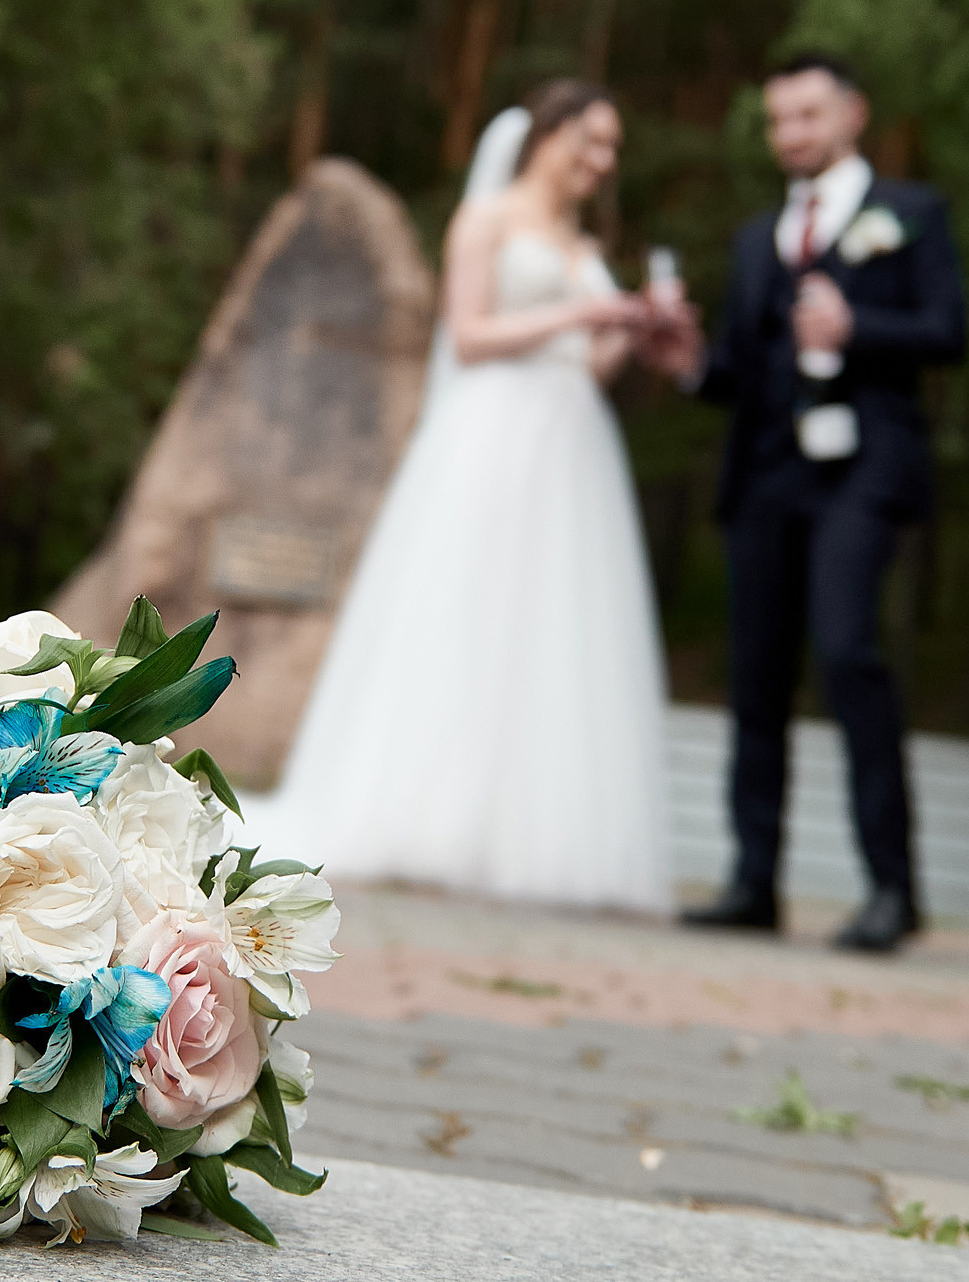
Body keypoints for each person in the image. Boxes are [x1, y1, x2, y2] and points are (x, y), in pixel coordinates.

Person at [251, 80, 673, 913]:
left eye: (613, 148)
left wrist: (628, 329)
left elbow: (583, 366)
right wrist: (582, 310)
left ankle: (533, 832)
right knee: (469, 615)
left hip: (572, 442)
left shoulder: (577, 239)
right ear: (547, 134)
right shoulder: (485, 220)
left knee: (555, 634)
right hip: (493, 436)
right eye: (591, 140)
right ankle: (424, 814)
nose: (603, 161)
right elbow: (471, 337)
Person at [639, 52, 968, 952]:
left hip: (863, 471)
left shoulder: (911, 214)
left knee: (851, 649)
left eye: (809, 115)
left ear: (853, 114)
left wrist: (861, 329)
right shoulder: (757, 241)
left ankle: (893, 891)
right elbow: (741, 376)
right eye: (780, 120)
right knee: (755, 675)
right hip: (766, 477)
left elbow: (951, 330)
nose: (792, 135)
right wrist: (691, 368)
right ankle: (753, 883)